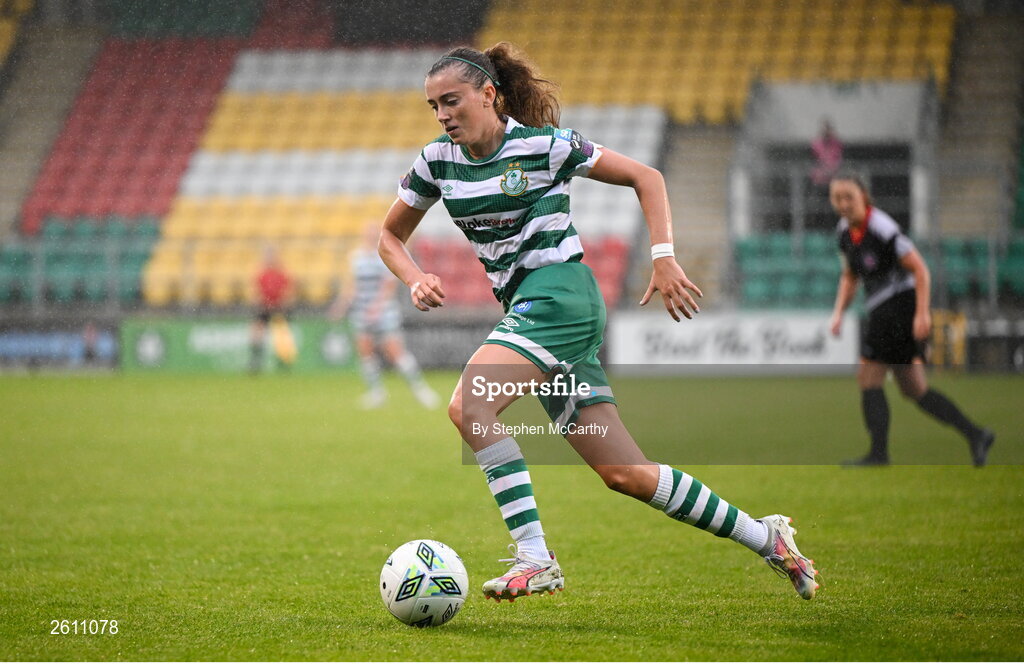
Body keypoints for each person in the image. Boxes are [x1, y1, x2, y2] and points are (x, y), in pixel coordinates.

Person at [378, 43, 819, 602]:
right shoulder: (435, 163)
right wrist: (414, 276)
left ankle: (535, 558)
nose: (442, 115)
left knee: (470, 405)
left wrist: (663, 255)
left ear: (489, 94)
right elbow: (389, 236)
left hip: (561, 295)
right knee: (625, 474)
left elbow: (646, 176)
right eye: (432, 106)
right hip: (530, 310)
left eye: (451, 101)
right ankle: (768, 538)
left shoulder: (542, 146)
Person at [827, 171, 995, 466]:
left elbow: (920, 269)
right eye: (837, 198)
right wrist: (838, 312)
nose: (843, 203)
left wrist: (921, 314)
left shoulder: (882, 228)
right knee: (914, 388)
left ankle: (878, 455)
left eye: (848, 197)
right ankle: (976, 434)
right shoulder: (844, 233)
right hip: (884, 308)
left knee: (868, 376)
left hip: (899, 307)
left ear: (864, 197)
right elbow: (850, 276)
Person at [329, 222, 439, 409]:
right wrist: (341, 306)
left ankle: (420, 389)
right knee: (365, 352)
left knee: (395, 352)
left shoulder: (383, 257)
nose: (371, 237)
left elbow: (388, 286)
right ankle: (376, 392)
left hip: (384, 312)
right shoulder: (356, 257)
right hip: (362, 311)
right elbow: (352, 285)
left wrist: (377, 307)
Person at [250, 246, 294, 373]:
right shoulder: (261, 273)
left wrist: (282, 304)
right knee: (257, 331)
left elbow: (288, 291)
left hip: (278, 307)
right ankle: (256, 360)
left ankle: (283, 361)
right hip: (265, 307)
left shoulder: (282, 273)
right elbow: (256, 293)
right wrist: (262, 304)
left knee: (281, 334)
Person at [810, 119, 843, 187]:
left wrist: (831, 169)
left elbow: (838, 160)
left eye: (827, 129)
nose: (825, 131)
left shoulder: (836, 143)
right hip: (819, 179)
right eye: (823, 129)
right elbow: (813, 161)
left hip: (833, 178)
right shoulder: (815, 144)